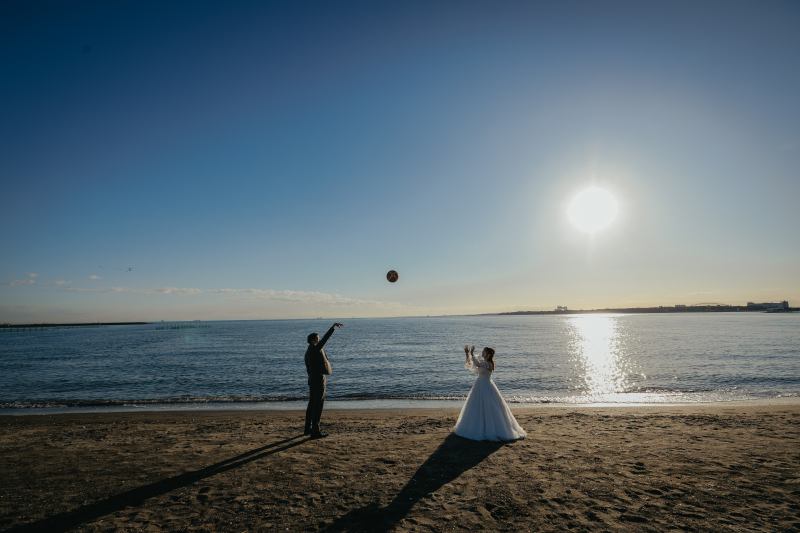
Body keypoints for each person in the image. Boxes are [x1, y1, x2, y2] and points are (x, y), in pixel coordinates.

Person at [453, 345, 527, 441]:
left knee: (488, 407)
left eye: (484, 351)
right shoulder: (485, 363)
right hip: (480, 385)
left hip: (485, 385)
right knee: (477, 406)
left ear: (488, 354)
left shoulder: (487, 364)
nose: (482, 353)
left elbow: (478, 365)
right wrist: (467, 353)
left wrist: (472, 354)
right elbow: (473, 365)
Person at [304, 322, 343, 439]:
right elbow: (325, 340)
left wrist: (311, 378)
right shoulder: (315, 349)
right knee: (318, 404)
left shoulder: (309, 351)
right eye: (317, 338)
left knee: (312, 404)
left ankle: (307, 429)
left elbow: (308, 367)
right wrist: (333, 328)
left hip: (312, 378)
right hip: (318, 378)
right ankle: (315, 431)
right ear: (312, 340)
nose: (319, 339)